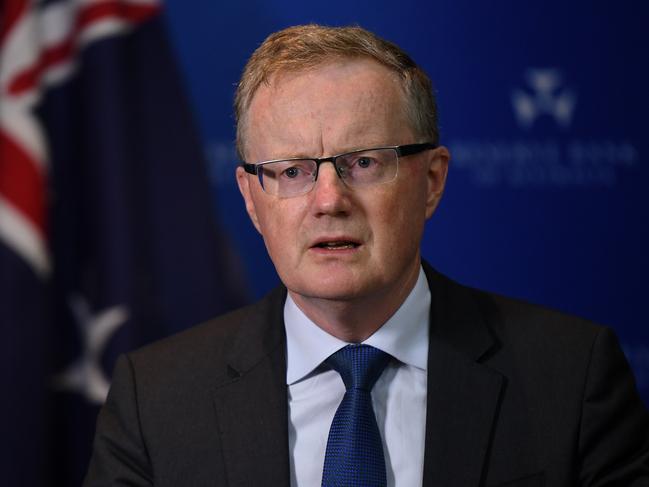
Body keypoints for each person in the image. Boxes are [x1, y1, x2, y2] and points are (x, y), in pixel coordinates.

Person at [84, 24, 649, 486]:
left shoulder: (572, 378)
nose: (329, 200)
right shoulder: (154, 400)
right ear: (252, 201)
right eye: (292, 171)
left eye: (364, 162)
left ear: (431, 181)